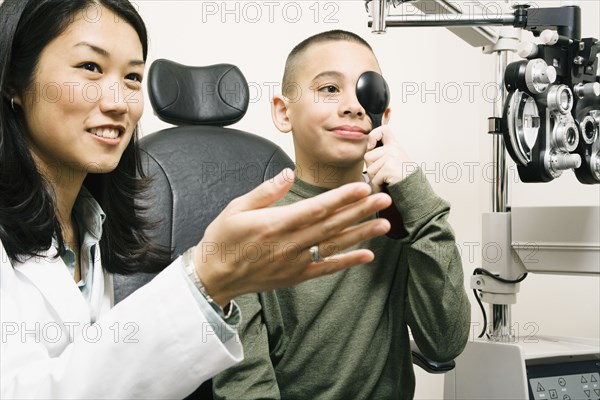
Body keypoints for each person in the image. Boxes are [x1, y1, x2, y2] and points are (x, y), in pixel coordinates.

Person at [0, 3, 394, 398]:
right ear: (14, 82)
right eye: (90, 68)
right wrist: (203, 279)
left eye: (133, 76)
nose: (119, 101)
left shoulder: (89, 227)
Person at [212, 30, 471, 400]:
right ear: (284, 112)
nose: (353, 106)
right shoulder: (250, 230)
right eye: (330, 89)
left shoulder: (402, 215)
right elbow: (245, 385)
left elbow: (444, 343)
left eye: (367, 91)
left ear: (383, 115)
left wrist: (419, 202)